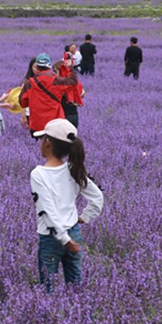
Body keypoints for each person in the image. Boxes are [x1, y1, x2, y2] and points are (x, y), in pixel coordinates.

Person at [31, 119, 103, 291]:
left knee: (48, 289)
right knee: (76, 286)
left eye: (42, 139)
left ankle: (50, 318)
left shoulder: (38, 174)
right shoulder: (73, 168)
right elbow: (97, 197)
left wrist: (65, 240)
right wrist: (85, 217)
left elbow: (46, 212)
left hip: (51, 238)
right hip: (73, 232)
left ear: (47, 143)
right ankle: (83, 318)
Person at [20, 53, 79, 134]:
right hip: (55, 123)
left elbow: (22, 103)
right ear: (49, 66)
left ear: (36, 67)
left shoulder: (29, 84)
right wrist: (70, 68)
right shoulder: (56, 81)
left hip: (37, 125)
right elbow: (73, 82)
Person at [54, 59, 85, 129]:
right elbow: (83, 93)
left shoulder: (60, 85)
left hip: (63, 117)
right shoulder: (74, 84)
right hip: (73, 115)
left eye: (55, 72)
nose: (54, 74)